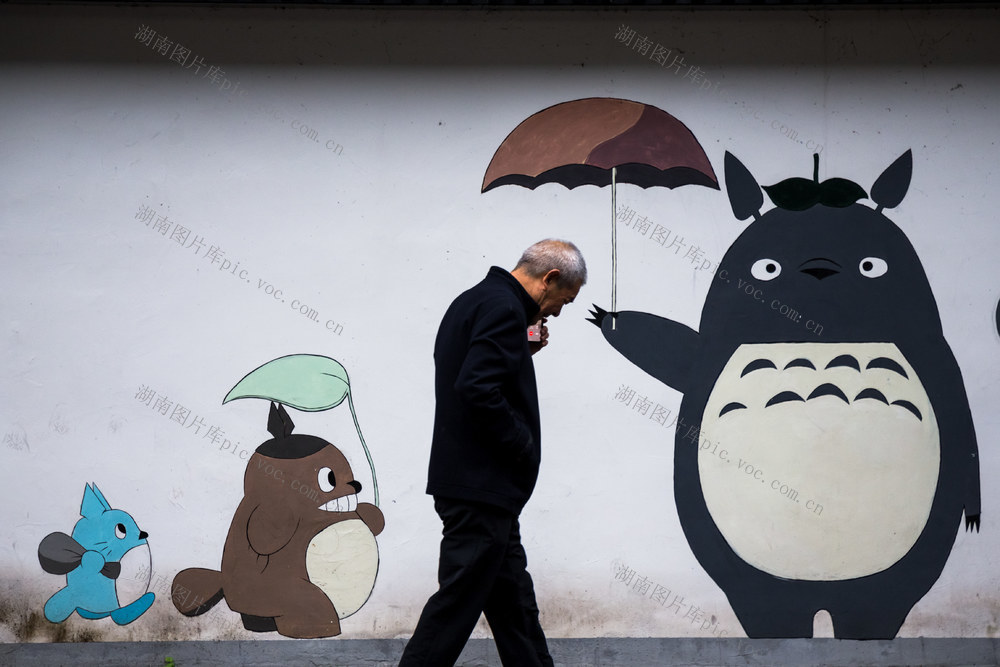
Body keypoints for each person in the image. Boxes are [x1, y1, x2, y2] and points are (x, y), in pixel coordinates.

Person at [399, 239, 587, 667]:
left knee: (513, 603)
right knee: (456, 606)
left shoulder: (475, 301)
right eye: (565, 300)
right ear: (550, 278)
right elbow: (476, 389)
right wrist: (521, 444)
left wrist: (523, 351)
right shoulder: (502, 309)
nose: (559, 311)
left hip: (478, 486)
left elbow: (474, 374)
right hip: (480, 486)